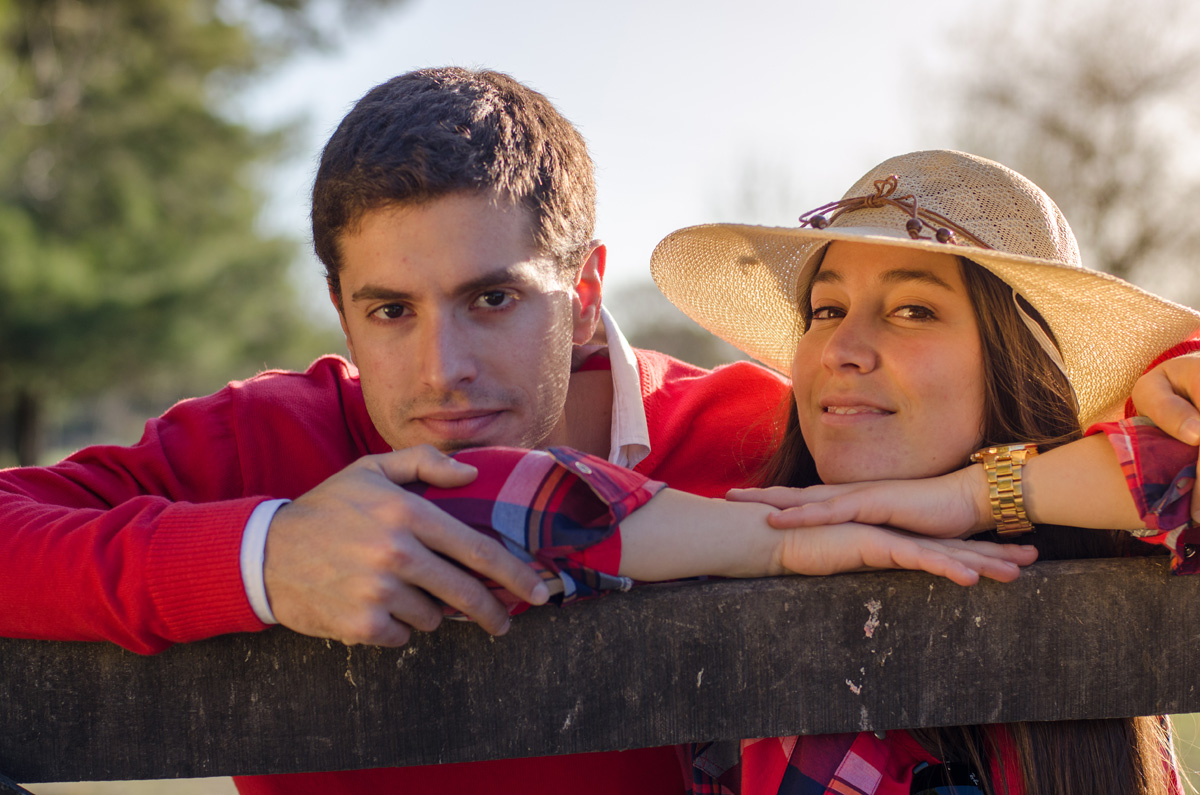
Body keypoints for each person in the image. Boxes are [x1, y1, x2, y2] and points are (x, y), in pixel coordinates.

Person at [0, 68, 1193, 792]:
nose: (440, 368)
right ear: (340, 311)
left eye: (492, 298)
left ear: (583, 291)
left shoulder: (768, 438)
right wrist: (264, 556)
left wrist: (1154, 388)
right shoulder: (261, 442)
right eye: (389, 310)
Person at [376, 148, 1200, 793]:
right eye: (826, 309)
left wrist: (973, 494)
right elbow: (458, 500)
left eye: (913, 309)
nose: (842, 348)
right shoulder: (729, 533)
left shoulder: (1120, 536)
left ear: (1015, 366)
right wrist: (779, 544)